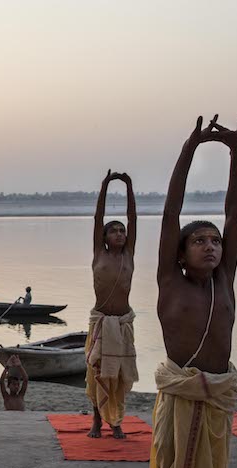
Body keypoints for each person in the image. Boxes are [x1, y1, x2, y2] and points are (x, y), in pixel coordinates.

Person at [151, 116, 237, 468]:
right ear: (182, 253)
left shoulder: (224, 282)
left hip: (216, 400)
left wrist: (235, 153)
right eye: (200, 241)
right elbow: (171, 210)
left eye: (215, 241)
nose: (211, 246)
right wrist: (191, 147)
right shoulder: (172, 282)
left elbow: (236, 212)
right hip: (182, 398)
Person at [86, 170, 139, 440]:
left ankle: (116, 422)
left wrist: (129, 187)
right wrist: (105, 185)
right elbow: (98, 218)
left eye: (122, 231)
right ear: (105, 237)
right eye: (114, 231)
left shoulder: (128, 255)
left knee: (119, 376)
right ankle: (97, 421)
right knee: (97, 374)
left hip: (122, 323)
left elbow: (133, 217)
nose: (119, 234)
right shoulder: (100, 254)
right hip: (101, 323)